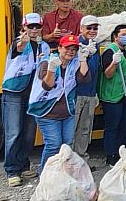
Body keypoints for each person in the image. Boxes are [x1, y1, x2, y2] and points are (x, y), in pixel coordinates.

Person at [27, 34, 91, 172]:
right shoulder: (47, 61)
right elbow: (47, 86)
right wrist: (51, 69)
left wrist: (83, 60)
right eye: (67, 48)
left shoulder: (75, 62)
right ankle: (45, 174)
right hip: (46, 110)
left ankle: (61, 173)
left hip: (67, 111)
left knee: (67, 144)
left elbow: (84, 79)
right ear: (60, 48)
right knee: (53, 144)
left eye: (74, 48)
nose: (71, 51)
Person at [1, 12, 49, 187]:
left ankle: (23, 163)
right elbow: (18, 48)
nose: (34, 30)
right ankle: (12, 170)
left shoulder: (43, 46)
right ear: (24, 27)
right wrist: (23, 42)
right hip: (13, 91)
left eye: (37, 26)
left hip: (33, 93)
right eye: (31, 26)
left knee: (29, 133)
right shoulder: (18, 42)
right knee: (14, 132)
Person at [99, 24, 126, 166]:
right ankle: (111, 155)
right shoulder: (109, 51)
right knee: (113, 126)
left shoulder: (124, 51)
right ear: (115, 36)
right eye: (123, 34)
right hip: (111, 96)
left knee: (123, 126)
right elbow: (108, 74)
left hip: (123, 95)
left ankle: (121, 154)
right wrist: (114, 62)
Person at [72, 15, 101, 163]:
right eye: (88, 28)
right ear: (81, 28)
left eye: (95, 28)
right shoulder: (75, 45)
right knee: (72, 129)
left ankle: (81, 160)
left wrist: (96, 92)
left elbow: (97, 72)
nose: (92, 30)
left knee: (85, 129)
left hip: (90, 94)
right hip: (76, 94)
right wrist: (85, 55)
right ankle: (69, 161)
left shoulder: (96, 45)